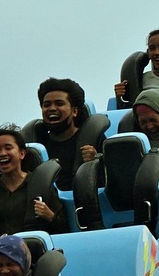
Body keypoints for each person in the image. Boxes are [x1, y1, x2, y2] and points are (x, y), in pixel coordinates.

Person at [27, 79, 103, 217]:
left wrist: (97, 160)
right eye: (46, 105)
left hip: (91, 208)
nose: (51, 109)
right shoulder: (37, 146)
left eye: (59, 103)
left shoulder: (94, 139)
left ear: (74, 111)